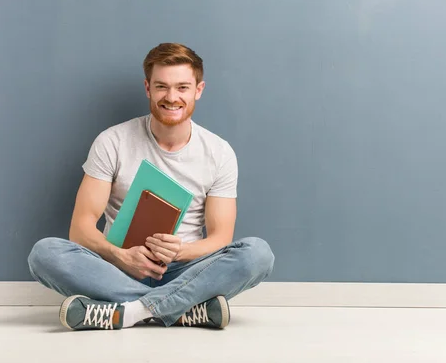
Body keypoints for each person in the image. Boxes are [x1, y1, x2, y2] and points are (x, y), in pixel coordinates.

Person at [27, 43, 275, 331]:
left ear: (199, 89)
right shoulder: (113, 142)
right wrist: (122, 256)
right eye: (162, 87)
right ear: (148, 88)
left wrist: (179, 252)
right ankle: (183, 311)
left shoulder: (219, 152)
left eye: (182, 87)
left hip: (187, 270)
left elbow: (220, 238)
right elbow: (79, 229)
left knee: (258, 254)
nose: (172, 97)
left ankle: (130, 312)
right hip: (118, 268)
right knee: (44, 254)